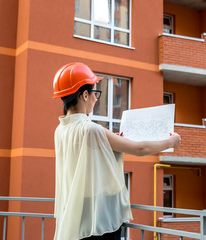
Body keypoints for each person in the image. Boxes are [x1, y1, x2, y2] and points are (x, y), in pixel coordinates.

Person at [52, 62, 181, 240]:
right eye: (95, 93)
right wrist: (170, 141)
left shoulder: (61, 130)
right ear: (84, 95)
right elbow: (140, 148)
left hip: (77, 212)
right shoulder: (91, 130)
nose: (96, 99)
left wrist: (107, 141)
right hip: (99, 217)